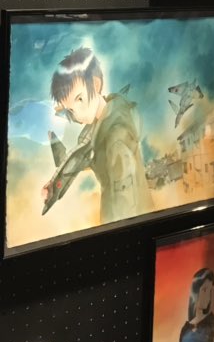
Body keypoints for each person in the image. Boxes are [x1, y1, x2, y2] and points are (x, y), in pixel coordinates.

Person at [48, 47, 153, 223]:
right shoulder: (99, 126)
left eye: (79, 99)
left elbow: (126, 201)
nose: (77, 114)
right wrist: (53, 185)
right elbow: (83, 157)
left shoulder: (116, 137)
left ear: (96, 85)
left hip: (123, 222)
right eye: (71, 109)